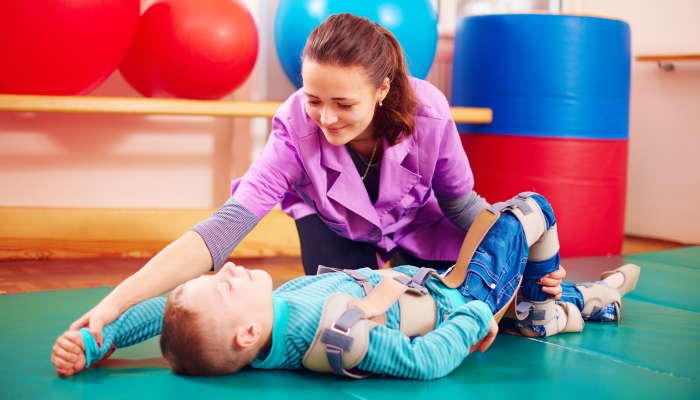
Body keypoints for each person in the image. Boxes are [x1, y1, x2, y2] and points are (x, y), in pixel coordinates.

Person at [63, 12, 568, 365]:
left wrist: (524, 263)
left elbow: (463, 206)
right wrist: (114, 306)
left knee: (462, 296)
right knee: (358, 311)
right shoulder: (292, 129)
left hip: (423, 228)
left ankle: (572, 296)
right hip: (335, 229)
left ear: (383, 89)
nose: (325, 118)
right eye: (313, 100)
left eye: (343, 104)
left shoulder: (429, 111)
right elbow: (223, 230)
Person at [51, 191, 641, 379]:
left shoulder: (263, 324)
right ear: (246, 333)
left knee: (542, 283)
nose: (226, 269)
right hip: (464, 293)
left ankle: (567, 305)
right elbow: (425, 362)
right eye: (224, 286)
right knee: (532, 208)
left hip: (426, 279)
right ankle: (540, 307)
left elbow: (173, 315)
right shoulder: (330, 332)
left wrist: (100, 335)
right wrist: (474, 320)